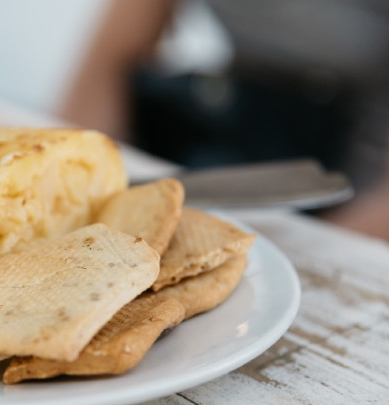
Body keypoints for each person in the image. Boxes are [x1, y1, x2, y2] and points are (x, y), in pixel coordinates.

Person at [61, 0, 389, 241]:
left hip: (348, 197)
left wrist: (298, 257)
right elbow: (108, 68)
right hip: (229, 142)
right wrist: (75, 196)